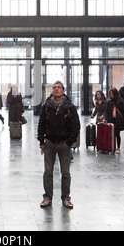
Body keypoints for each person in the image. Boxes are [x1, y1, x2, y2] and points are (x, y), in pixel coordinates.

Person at [37, 81, 80, 209]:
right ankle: (47, 197)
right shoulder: (46, 106)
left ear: (63, 91)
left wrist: (70, 141)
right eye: (54, 88)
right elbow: (41, 124)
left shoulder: (69, 106)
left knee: (65, 173)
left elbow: (76, 125)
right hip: (49, 142)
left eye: (59, 88)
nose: (56, 89)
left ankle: (66, 198)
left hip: (64, 144)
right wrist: (41, 141)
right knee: (47, 172)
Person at [103, 87, 124, 154]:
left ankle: (118, 147)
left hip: (118, 120)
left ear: (115, 93)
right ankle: (111, 147)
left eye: (112, 93)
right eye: (110, 93)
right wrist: (105, 118)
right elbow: (106, 111)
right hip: (111, 119)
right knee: (110, 134)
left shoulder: (120, 101)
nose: (111, 95)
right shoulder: (109, 101)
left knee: (117, 133)